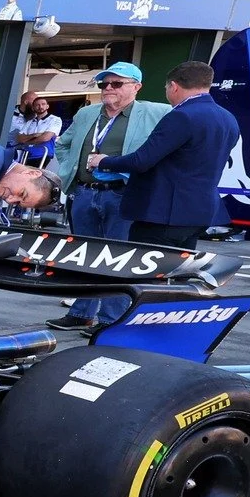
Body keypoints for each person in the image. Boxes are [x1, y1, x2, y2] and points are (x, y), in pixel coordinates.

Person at [48, 63, 169, 332]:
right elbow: (62, 143)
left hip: (122, 193)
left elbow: (168, 146)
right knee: (83, 257)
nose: (108, 89)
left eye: (116, 84)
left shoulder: (156, 112)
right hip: (84, 192)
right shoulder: (88, 113)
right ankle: (81, 313)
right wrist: (70, 168)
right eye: (104, 84)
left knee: (117, 259)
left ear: (136, 87)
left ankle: (110, 320)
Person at [87, 60, 241, 248]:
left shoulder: (181, 116)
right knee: (177, 272)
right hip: (200, 213)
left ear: (174, 87)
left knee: (145, 273)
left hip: (162, 215)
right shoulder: (228, 117)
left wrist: (103, 161)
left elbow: (141, 160)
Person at [10, 94, 63, 167]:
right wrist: (34, 135)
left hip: (42, 154)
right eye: (37, 105)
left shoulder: (55, 119)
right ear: (33, 108)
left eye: (43, 104)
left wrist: (27, 142)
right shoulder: (30, 121)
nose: (40, 107)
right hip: (27, 154)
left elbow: (45, 138)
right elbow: (19, 139)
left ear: (47, 106)